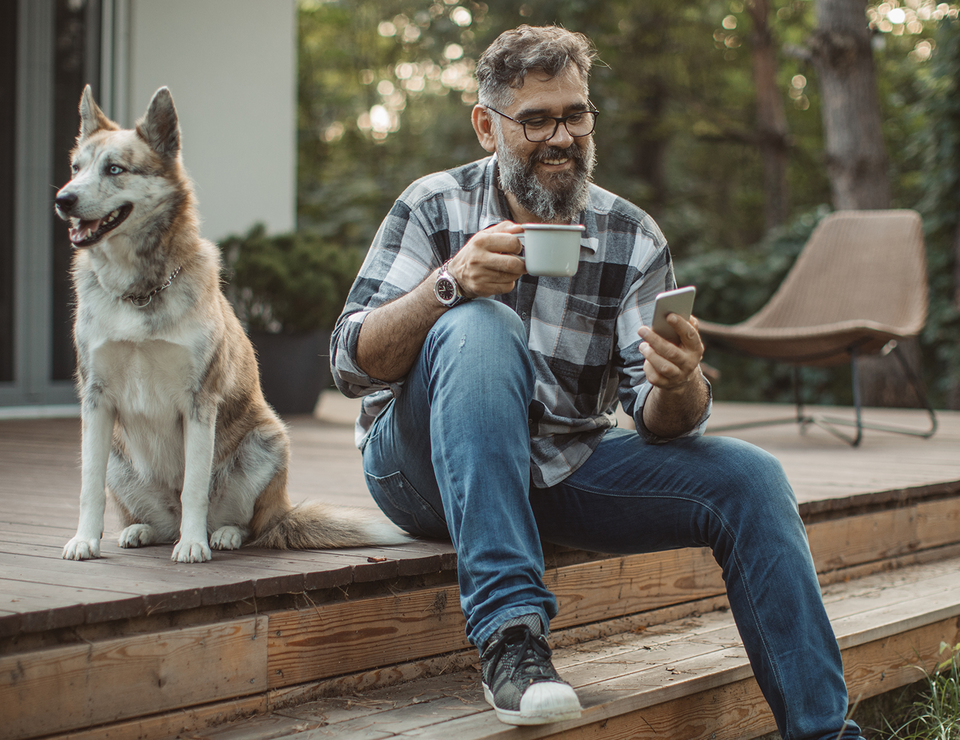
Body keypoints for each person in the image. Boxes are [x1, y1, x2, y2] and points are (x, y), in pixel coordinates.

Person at [331, 24, 864, 739]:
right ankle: (512, 640)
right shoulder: (433, 206)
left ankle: (823, 732)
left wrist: (679, 383)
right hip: (419, 470)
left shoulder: (631, 235)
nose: (561, 138)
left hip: (560, 465)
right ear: (487, 127)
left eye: (575, 115)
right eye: (536, 120)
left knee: (751, 477)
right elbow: (349, 362)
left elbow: (662, 419)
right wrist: (448, 285)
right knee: (479, 324)